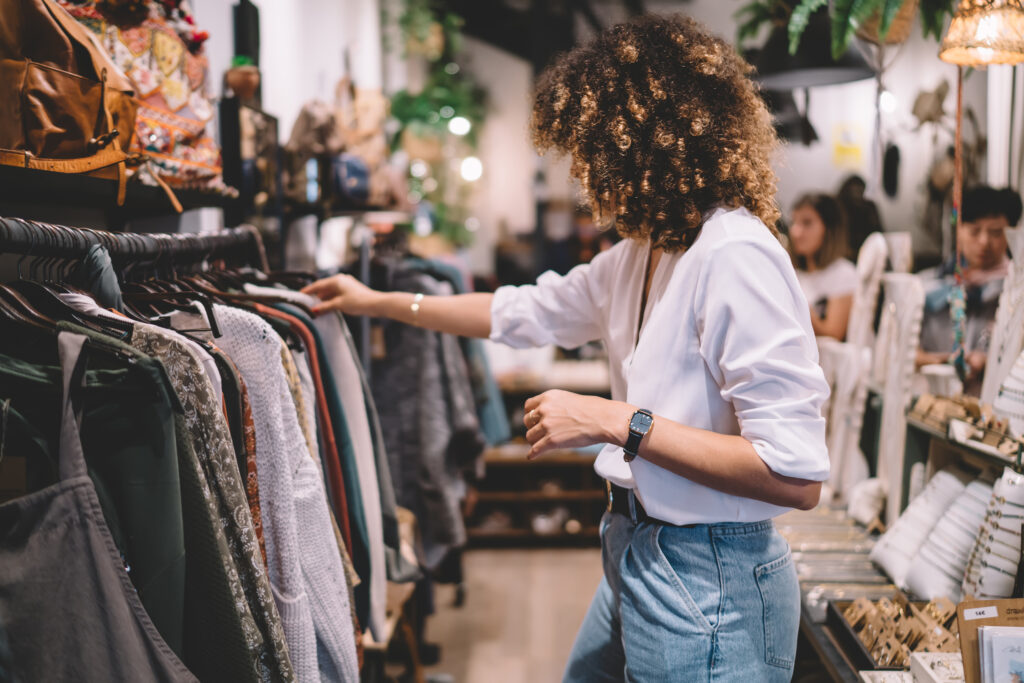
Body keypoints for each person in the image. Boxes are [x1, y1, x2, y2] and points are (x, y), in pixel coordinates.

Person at [303, 15, 829, 682]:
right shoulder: (642, 254)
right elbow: (520, 310)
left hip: (711, 576)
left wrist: (615, 421)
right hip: (637, 547)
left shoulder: (737, 256)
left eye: (591, 152)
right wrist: (375, 301)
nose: (584, 177)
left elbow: (795, 473)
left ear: (644, 146)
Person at [917, 185, 1023, 394]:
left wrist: (990, 362)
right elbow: (900, 349)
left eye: (996, 232)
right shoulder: (926, 287)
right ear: (959, 231)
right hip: (930, 401)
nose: (984, 242)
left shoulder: (1016, 294)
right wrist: (939, 362)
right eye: (975, 231)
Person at [788, 193, 859, 340]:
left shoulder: (843, 273)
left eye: (807, 223)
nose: (796, 232)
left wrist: (798, 306)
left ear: (829, 228)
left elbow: (834, 334)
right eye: (794, 222)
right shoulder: (794, 273)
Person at [837, 174, 884, 257]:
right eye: (855, 191)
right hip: (845, 250)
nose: (857, 195)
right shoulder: (839, 206)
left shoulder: (869, 207)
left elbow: (878, 232)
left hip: (868, 249)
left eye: (860, 191)